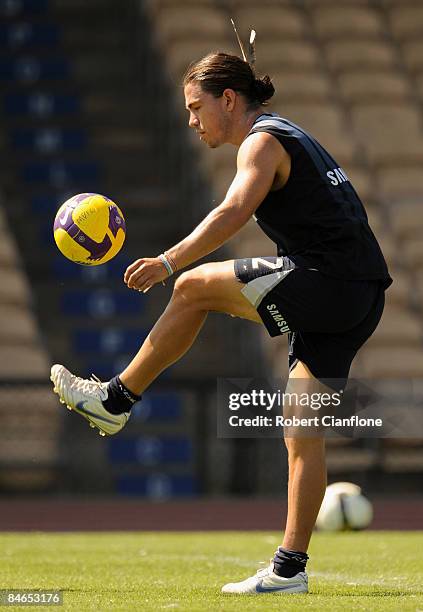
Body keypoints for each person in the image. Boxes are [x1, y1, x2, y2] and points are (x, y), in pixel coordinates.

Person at [50, 49, 392, 595]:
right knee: (301, 433)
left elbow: (232, 211)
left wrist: (168, 261)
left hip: (329, 282)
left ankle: (115, 400)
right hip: (361, 294)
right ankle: (289, 570)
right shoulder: (286, 134)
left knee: (190, 287)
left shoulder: (261, 140)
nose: (191, 120)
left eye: (195, 107)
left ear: (228, 99)